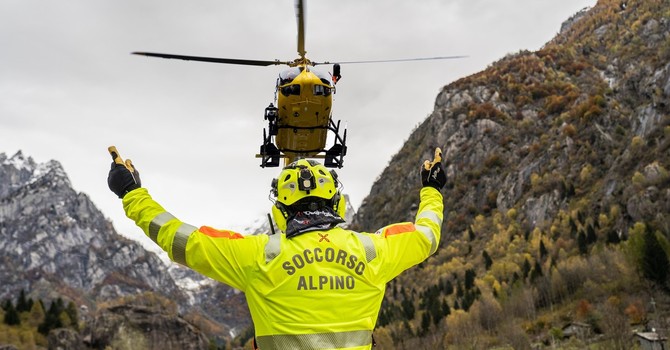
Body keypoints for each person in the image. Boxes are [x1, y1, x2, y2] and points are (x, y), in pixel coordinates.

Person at [107, 148, 446, 350]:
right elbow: (426, 235)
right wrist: (431, 190)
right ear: (337, 203)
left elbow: (181, 239)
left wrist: (132, 194)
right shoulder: (374, 250)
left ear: (279, 212)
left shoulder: (258, 255)